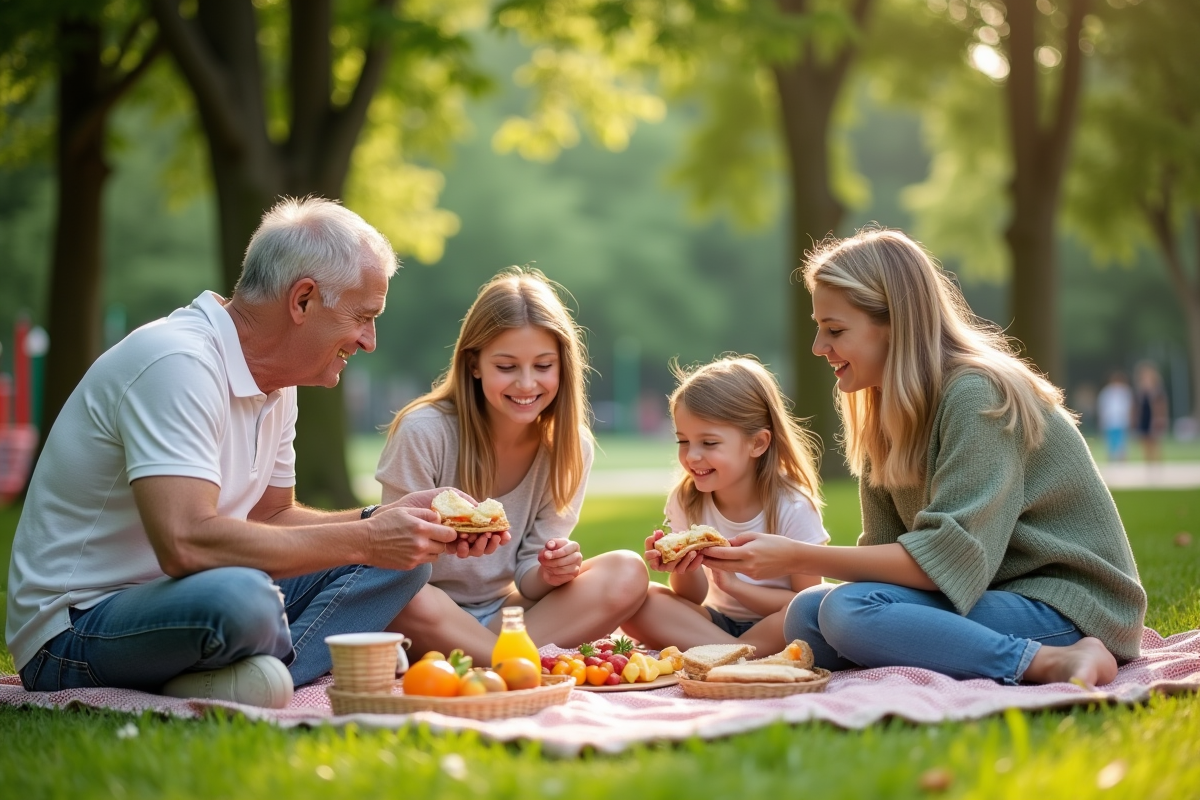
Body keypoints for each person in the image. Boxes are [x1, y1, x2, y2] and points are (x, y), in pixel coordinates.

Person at [6, 197, 491, 708]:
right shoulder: (178, 362)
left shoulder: (278, 384)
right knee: (244, 597)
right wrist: (368, 538)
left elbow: (272, 516)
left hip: (196, 598)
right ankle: (282, 665)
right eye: (362, 317)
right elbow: (186, 544)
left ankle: (254, 674)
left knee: (403, 562)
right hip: (77, 630)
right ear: (303, 300)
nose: (369, 340)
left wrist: (384, 520)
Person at [703, 228, 1147, 687]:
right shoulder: (883, 414)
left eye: (835, 330)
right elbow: (882, 561)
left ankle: (1048, 662)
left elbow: (944, 563)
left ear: (895, 323)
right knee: (808, 615)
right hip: (988, 594)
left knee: (846, 610)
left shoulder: (977, 396)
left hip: (1067, 604)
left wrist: (795, 557)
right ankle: (952, 649)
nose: (819, 346)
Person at [375, 267, 648, 662]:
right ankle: (517, 662)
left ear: (563, 365)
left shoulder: (571, 447)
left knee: (628, 571)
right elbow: (394, 563)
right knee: (406, 599)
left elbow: (528, 579)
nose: (526, 384)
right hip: (428, 609)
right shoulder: (424, 431)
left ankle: (487, 658)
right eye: (506, 367)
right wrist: (449, 540)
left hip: (506, 614)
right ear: (474, 364)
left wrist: (550, 572)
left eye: (542, 366)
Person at [621, 356, 828, 654]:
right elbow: (691, 597)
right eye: (683, 441)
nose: (691, 457)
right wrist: (681, 566)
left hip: (777, 622)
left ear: (757, 443)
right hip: (714, 623)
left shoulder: (792, 506)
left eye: (709, 443)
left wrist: (734, 586)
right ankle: (737, 652)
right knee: (642, 599)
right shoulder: (687, 499)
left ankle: (726, 652)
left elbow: (807, 603)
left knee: (818, 611)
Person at [1133, 361, 1169, 463]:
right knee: (1145, 442)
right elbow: (1136, 406)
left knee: (1155, 442)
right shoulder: (1140, 391)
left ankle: (1156, 463)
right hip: (1144, 417)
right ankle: (1148, 462)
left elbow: (1162, 406)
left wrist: (1161, 418)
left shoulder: (1157, 391)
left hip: (1154, 418)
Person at [1096, 371, 1133, 462]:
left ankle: (1122, 461)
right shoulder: (1106, 392)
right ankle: (1111, 461)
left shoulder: (1125, 391)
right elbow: (1102, 407)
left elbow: (1129, 407)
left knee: (1121, 444)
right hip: (1110, 421)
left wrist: (1130, 418)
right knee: (1110, 443)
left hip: (1121, 421)